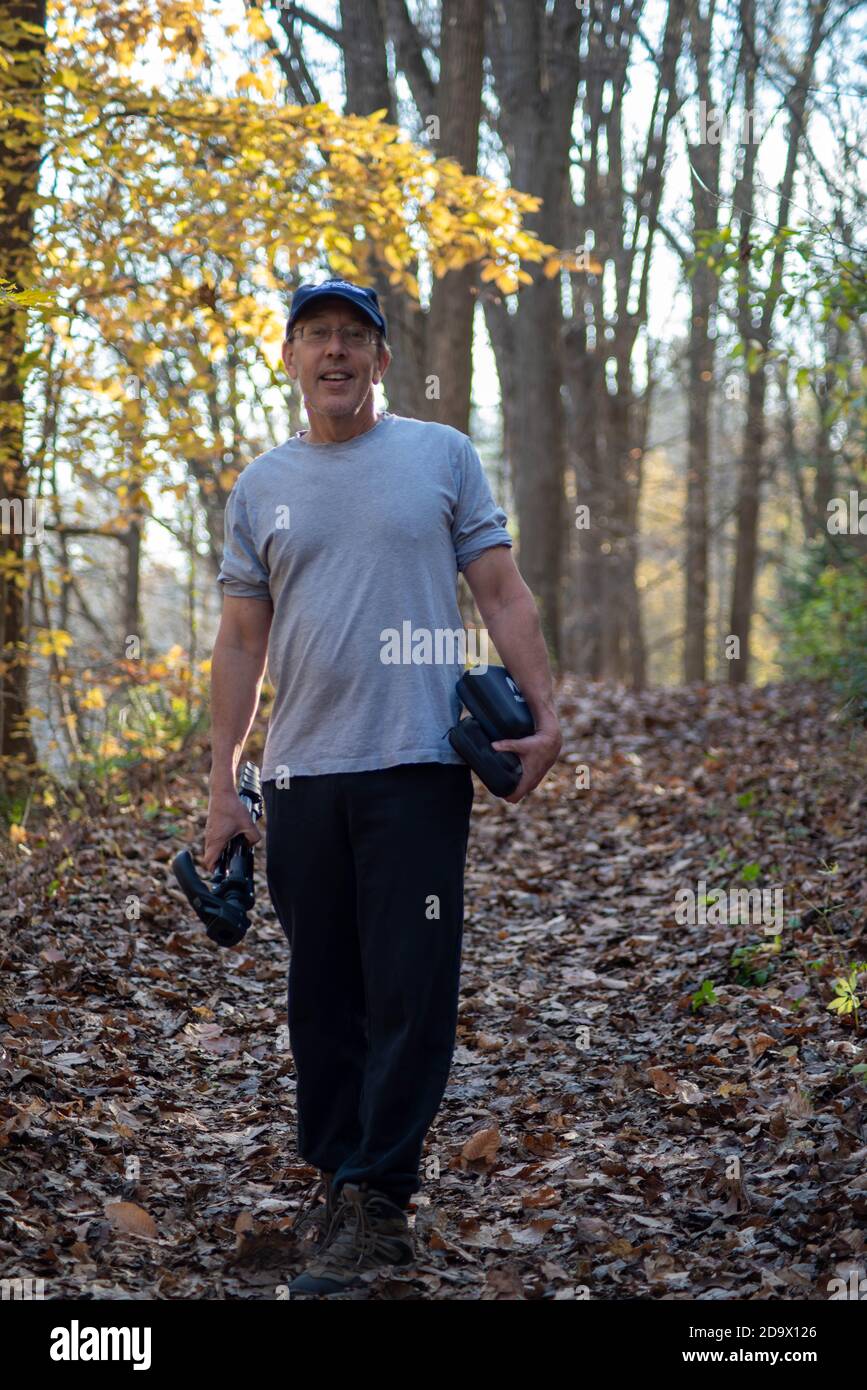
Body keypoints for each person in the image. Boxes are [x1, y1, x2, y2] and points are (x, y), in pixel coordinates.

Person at [204, 276, 562, 1295]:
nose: (335, 352)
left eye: (354, 337)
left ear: (382, 358)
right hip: (303, 774)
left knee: (410, 987)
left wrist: (548, 714)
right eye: (315, 335)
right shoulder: (260, 485)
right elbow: (238, 638)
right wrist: (224, 784)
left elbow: (501, 587)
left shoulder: (438, 455)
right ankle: (339, 1174)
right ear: (290, 358)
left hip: (416, 764)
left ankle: (382, 1201)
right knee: (321, 996)